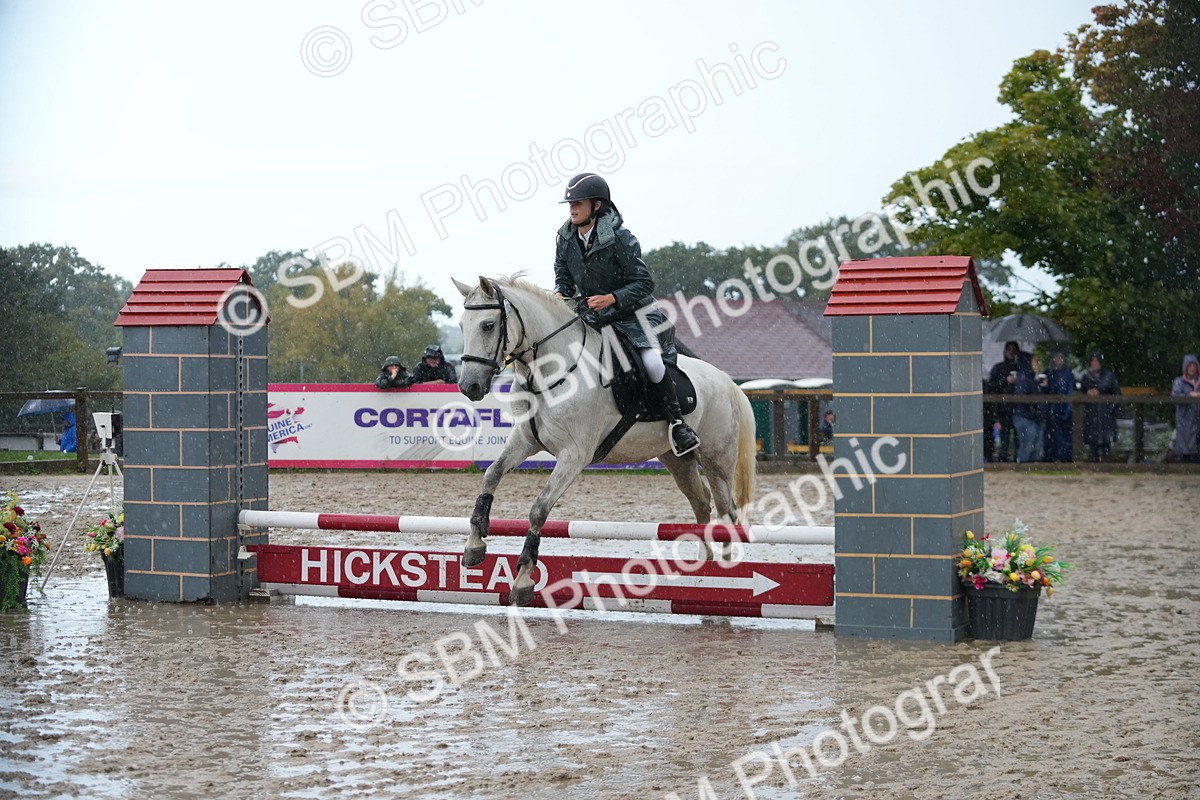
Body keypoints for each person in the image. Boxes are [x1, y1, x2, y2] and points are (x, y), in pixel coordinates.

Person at [552, 173, 699, 456]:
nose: (572, 208)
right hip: (594, 316)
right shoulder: (565, 239)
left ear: (596, 206)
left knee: (652, 362)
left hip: (633, 315)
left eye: (578, 203)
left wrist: (612, 298)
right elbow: (563, 279)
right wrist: (560, 293)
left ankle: (678, 423)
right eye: (570, 203)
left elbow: (644, 283)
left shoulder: (621, 238)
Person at [1079, 350, 1120, 461]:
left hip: (1106, 417)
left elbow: (1117, 395)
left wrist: (1109, 409)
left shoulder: (1109, 377)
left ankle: (1106, 468)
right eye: (1092, 361)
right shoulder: (1086, 377)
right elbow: (1080, 393)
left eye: (1096, 361)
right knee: (1093, 449)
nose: (1094, 363)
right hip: (1092, 417)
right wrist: (1087, 393)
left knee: (1106, 448)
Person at [986, 341, 1023, 462]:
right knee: (1004, 439)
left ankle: (1017, 461)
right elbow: (991, 386)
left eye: (1014, 350)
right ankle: (1003, 461)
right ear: (1005, 351)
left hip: (1018, 409)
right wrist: (1005, 381)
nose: (1011, 352)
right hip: (1002, 410)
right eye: (1009, 349)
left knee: (1018, 438)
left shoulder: (1021, 368)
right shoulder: (998, 368)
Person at [1012, 355, 1049, 463]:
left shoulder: (1034, 378)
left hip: (1035, 417)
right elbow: (1023, 395)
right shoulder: (1023, 377)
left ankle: (1032, 467)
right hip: (1025, 416)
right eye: (1035, 362)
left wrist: (1043, 386)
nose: (1037, 365)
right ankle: (1023, 466)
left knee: (1037, 445)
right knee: (1028, 444)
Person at [1042, 348, 1075, 462]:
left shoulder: (1068, 374)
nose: (1058, 360)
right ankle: (1049, 459)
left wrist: (1066, 412)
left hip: (1063, 412)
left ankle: (1064, 460)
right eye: (1056, 357)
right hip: (1050, 412)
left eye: (1060, 357)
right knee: (1050, 438)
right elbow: (1043, 393)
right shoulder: (1047, 373)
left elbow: (1070, 393)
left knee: (1064, 438)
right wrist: (1044, 386)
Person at [1171, 354, 1200, 463]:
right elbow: (1175, 396)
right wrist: (1189, 395)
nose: (1192, 368)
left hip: (1198, 417)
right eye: (1189, 365)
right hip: (1185, 419)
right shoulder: (1179, 381)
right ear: (1185, 367)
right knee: (1185, 445)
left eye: (1194, 365)